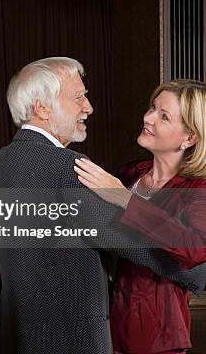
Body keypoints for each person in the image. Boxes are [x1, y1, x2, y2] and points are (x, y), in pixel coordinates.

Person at [0, 58, 206, 354]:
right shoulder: (70, 168)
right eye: (78, 97)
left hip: (17, 331)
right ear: (43, 108)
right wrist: (196, 276)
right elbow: (132, 243)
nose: (88, 107)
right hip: (70, 335)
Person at [74, 79, 206, 354]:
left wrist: (124, 198)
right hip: (104, 321)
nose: (148, 118)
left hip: (155, 336)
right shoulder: (131, 172)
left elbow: (192, 247)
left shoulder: (198, 188)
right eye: (152, 108)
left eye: (164, 116)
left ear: (190, 138)